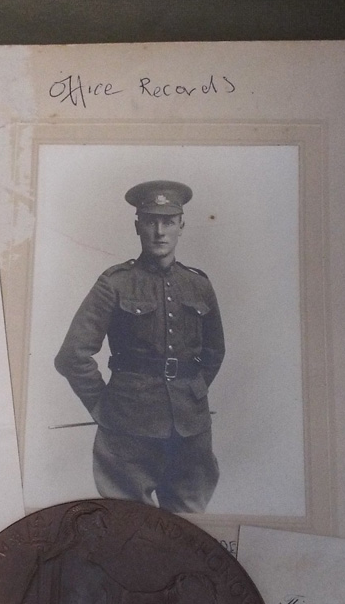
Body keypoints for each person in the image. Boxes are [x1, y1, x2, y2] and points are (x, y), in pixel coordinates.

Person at [55, 180, 225, 513]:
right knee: (129, 530)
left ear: (181, 226)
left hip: (190, 434)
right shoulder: (115, 283)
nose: (160, 231)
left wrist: (194, 392)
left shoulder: (198, 284)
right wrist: (102, 408)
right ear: (138, 226)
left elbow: (215, 351)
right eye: (150, 221)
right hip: (127, 430)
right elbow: (72, 355)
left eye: (168, 222)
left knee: (190, 531)